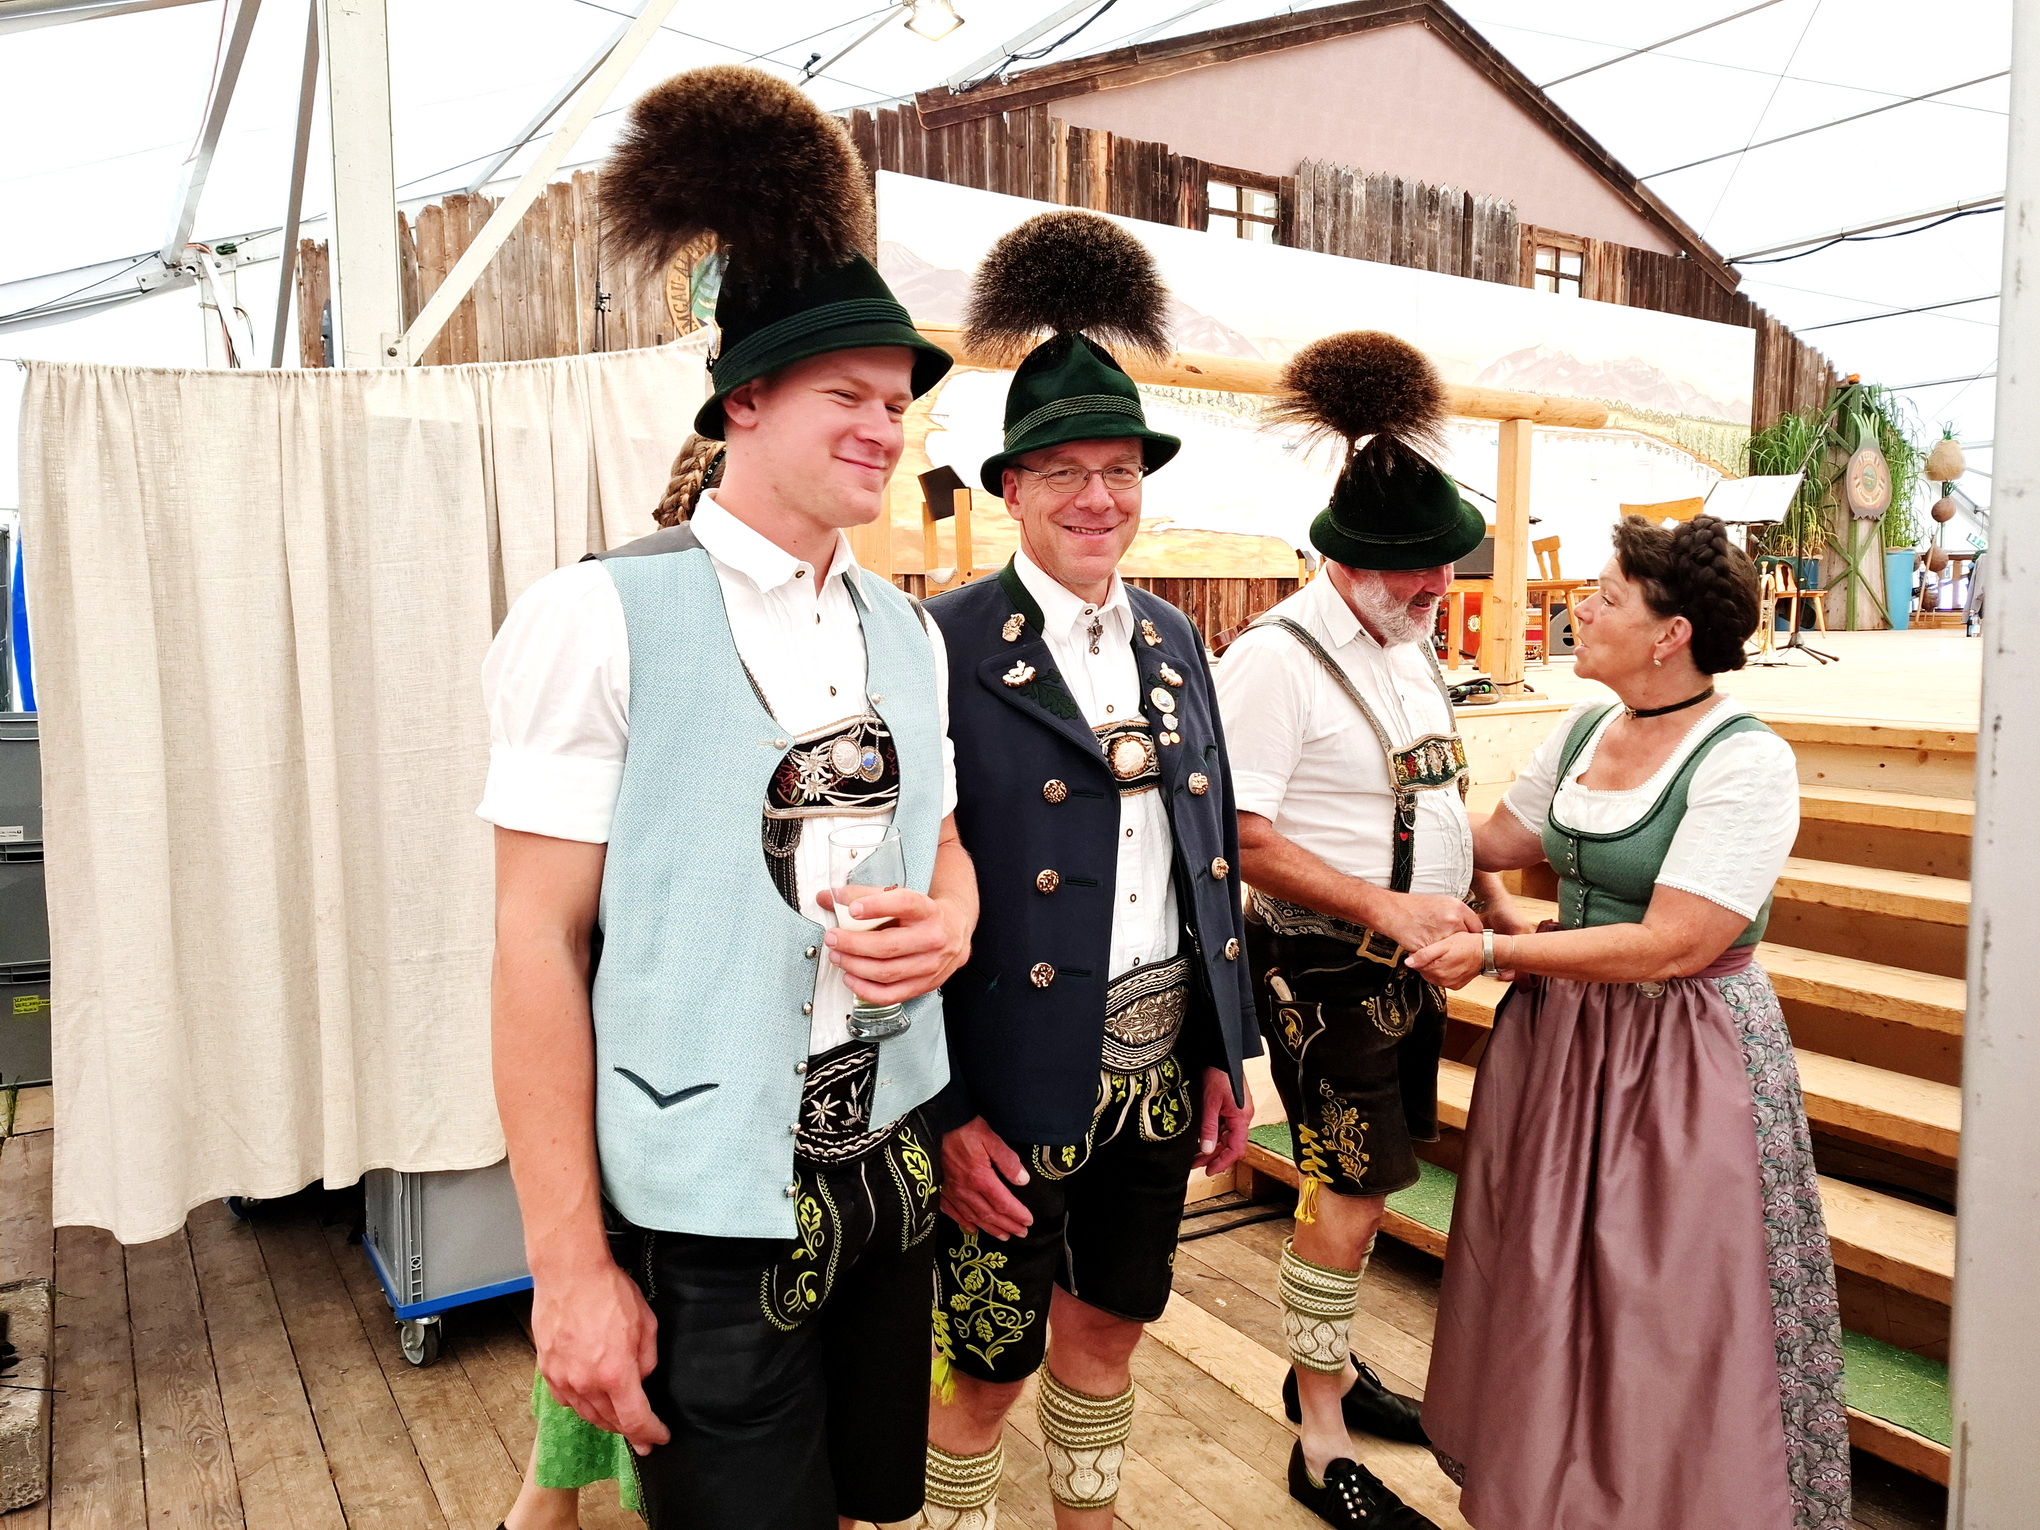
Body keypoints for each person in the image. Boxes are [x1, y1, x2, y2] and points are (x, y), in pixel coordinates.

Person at [481, 66, 978, 1530]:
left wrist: (949, 925)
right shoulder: (597, 615)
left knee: (862, 1504)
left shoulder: (909, 633)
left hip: (885, 1166)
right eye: (849, 395)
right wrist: (567, 1266)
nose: (885, 427)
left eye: (897, 403)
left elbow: (947, 843)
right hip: (701, 1197)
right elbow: (532, 945)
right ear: (745, 397)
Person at [914, 210, 1260, 1530]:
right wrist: (944, 1112)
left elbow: (1206, 868)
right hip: (1007, 1079)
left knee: (1111, 1327)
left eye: (1119, 469)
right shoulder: (940, 644)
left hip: (1156, 1070)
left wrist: (1225, 1050)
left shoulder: (1175, 639)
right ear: (1009, 487)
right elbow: (900, 887)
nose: (1097, 499)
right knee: (987, 1367)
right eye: (1064, 471)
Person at [1411, 513, 1851, 1530]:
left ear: (1671, 635)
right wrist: (1366, 788)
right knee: (1545, 1267)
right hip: (1565, 1041)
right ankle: (1549, 1490)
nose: (1583, 607)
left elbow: (1674, 944)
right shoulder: (1583, 730)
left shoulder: (1745, 761)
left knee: (1664, 1295)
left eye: (1607, 596)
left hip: (1680, 1051)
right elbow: (1496, 838)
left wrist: (1497, 952)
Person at [1214, 332, 1522, 1530]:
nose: (1442, 585)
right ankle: (1319, 1437)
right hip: (1325, 969)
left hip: (1412, 970)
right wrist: (1388, 906)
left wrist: (1491, 904)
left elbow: (1436, 789)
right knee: (1342, 1203)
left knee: (1373, 1189)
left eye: (1445, 563)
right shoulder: (1274, 662)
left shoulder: (1407, 640)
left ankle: (1329, 1370)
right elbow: (1239, 837)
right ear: (1350, 562)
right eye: (1419, 570)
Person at [492, 431, 724, 1530]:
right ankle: (565, 1496)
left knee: (615, 1292)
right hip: (634, 1039)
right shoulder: (626, 624)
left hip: (648, 1034)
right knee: (615, 1290)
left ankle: (554, 1498)